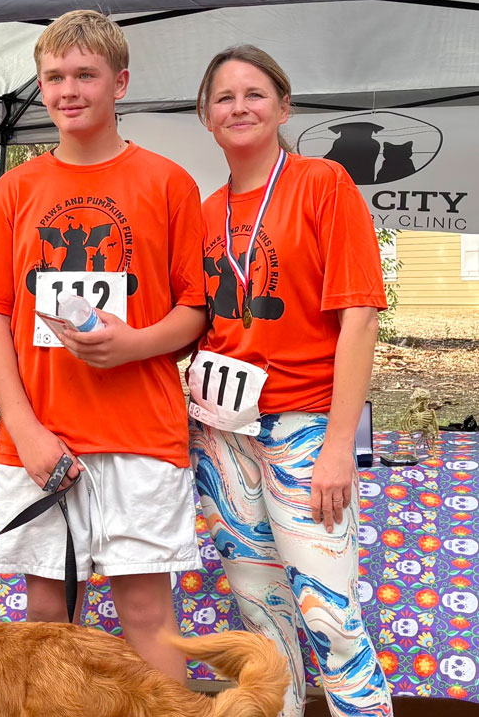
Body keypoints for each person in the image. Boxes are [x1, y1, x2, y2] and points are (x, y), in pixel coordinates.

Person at [0, 10, 207, 683]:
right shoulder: (16, 189)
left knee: (149, 617)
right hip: (43, 443)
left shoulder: (169, 183)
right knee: (48, 619)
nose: (69, 89)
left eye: (86, 75)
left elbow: (196, 310)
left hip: (142, 438)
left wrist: (135, 345)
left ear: (119, 82)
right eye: (55, 76)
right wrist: (24, 428)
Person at [189, 45, 392, 717]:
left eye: (254, 93)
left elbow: (358, 317)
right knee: (261, 628)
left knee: (330, 619)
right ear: (205, 116)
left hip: (305, 428)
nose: (239, 106)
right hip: (223, 436)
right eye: (224, 96)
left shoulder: (321, 184)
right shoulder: (205, 208)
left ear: (284, 106)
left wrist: (339, 445)